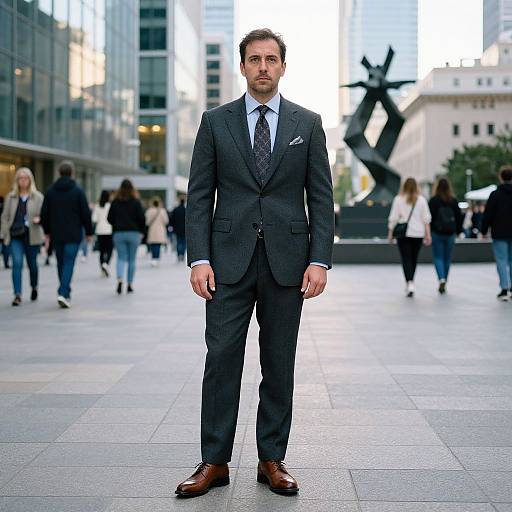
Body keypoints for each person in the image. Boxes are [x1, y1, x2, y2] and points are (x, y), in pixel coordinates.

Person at [176, 29, 334, 498]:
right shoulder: (215, 122)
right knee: (221, 357)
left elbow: (321, 198)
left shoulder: (308, 123)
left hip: (288, 262)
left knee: (278, 361)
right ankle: (214, 461)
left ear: (283, 66)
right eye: (254, 59)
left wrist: (320, 259)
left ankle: (271, 459)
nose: (263, 67)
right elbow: (199, 196)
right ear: (242, 67)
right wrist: (199, 259)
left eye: (271, 59)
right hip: (226, 262)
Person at [41, 161, 93, 308]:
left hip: (57, 234)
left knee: (61, 263)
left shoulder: (51, 191)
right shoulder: (78, 191)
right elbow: (85, 214)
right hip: (73, 234)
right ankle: (63, 292)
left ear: (59, 173)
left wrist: (47, 231)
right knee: (69, 262)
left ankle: (65, 291)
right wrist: (89, 232)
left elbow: (44, 213)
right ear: (72, 173)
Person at [0, 168, 44, 306]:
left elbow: (44, 214)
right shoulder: (11, 197)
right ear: (17, 180)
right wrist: (4, 232)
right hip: (15, 235)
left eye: (25, 178)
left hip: (32, 235)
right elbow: (5, 217)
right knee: (17, 263)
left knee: (32, 265)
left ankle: (34, 286)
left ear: (30, 180)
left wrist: (39, 219)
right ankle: (17, 294)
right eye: (20, 178)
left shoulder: (38, 197)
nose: (23, 181)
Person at [388, 177, 432, 297]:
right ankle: (411, 281)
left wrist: (390, 234)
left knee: (406, 259)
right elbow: (426, 219)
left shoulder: (398, 199)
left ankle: (409, 282)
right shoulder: (421, 200)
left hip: (403, 235)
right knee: (414, 258)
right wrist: (428, 235)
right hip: (418, 234)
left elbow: (393, 218)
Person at [107, 179, 145, 294]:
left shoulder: (115, 202)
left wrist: (116, 224)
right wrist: (141, 231)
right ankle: (129, 284)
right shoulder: (136, 202)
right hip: (134, 233)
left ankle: (119, 280)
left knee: (121, 258)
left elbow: (109, 218)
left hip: (119, 233)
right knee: (132, 260)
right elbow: (142, 219)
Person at [481, 165, 512, 301]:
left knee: (501, 260)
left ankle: (504, 288)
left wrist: (483, 230)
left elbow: (488, 214)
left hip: (499, 232)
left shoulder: (495, 194)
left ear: (501, 178)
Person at [428, 177, 463, 294]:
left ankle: (441, 278)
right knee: (447, 258)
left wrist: (429, 232)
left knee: (438, 257)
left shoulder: (433, 201)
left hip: (437, 233)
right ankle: (445, 280)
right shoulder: (453, 200)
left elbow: (429, 218)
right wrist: (458, 231)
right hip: (450, 233)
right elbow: (459, 217)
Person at [92, 190, 113, 277]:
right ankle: (106, 263)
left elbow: (93, 219)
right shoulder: (110, 206)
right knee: (109, 249)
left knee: (101, 250)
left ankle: (102, 269)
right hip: (109, 230)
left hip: (100, 230)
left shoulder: (97, 206)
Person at [145, 196, 169, 267]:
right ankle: (156, 259)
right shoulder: (162, 211)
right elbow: (166, 221)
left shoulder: (149, 211)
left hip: (152, 230)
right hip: (160, 230)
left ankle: (153, 259)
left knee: (153, 245)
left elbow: (147, 222)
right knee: (158, 245)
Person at [0, 196, 11, 269]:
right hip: (3, 229)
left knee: (5, 246)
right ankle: (6, 263)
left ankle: (6, 262)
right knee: (5, 246)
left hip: (3, 229)